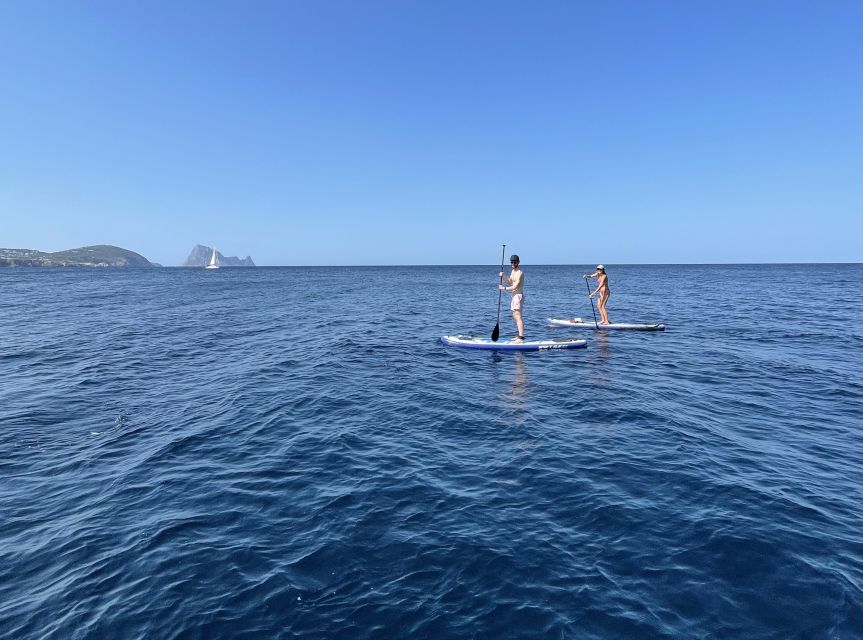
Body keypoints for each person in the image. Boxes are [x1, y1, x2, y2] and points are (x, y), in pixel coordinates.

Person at [499, 254, 525, 342]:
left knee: (518, 316)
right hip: (514, 296)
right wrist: (504, 276)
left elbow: (515, 286)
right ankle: (519, 336)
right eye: (512, 262)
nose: (513, 263)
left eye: (515, 262)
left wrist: (504, 288)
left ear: (518, 262)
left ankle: (521, 338)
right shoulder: (513, 271)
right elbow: (510, 282)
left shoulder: (520, 273)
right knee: (515, 316)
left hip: (518, 296)